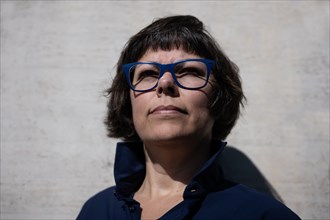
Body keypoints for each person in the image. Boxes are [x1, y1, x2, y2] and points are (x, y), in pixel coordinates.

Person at [77, 15, 300, 220]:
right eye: (148, 74)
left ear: (219, 100)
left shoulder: (263, 216)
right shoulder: (95, 211)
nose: (165, 83)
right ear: (128, 102)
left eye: (190, 71)